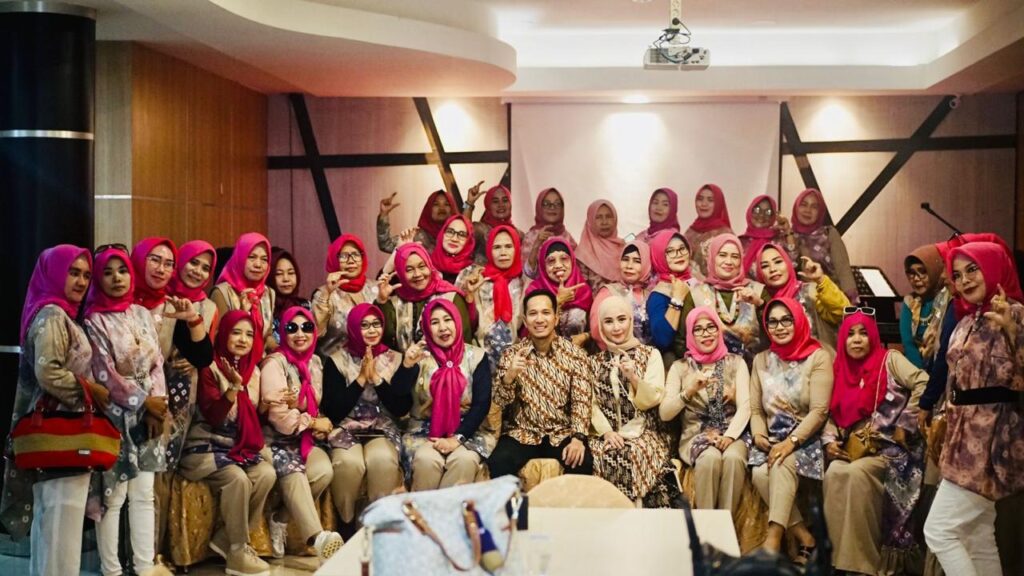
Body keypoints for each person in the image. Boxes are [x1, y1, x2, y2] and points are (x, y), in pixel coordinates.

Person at [0, 245, 106, 576]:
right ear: (54, 273)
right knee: (60, 527)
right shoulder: (52, 316)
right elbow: (48, 373)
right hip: (62, 432)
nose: (81, 281)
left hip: (63, 432)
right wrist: (92, 391)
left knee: (55, 529)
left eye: (86, 275)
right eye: (73, 272)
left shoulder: (58, 313)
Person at [923, 242, 1024, 576]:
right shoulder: (966, 321)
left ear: (994, 267)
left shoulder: (1015, 313)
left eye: (972, 269)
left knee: (938, 530)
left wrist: (1013, 331)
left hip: (992, 441)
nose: (964, 280)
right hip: (960, 439)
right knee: (977, 536)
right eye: (957, 274)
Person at [823, 310, 928, 575]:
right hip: (858, 448)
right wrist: (829, 442)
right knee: (835, 472)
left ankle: (862, 564)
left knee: (857, 475)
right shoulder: (839, 370)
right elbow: (830, 412)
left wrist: (906, 422)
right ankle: (837, 560)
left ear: (873, 336)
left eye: (863, 333)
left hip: (893, 449)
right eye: (850, 334)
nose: (857, 340)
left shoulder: (889, 360)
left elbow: (923, 382)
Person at [83, 246, 168, 576]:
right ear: (98, 278)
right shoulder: (95, 320)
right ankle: (112, 570)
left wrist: (157, 406)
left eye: (123, 271)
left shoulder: (141, 313)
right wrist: (141, 402)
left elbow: (157, 361)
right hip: (115, 415)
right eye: (108, 272)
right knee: (113, 496)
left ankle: (145, 569)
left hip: (150, 414)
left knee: (144, 494)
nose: (117, 278)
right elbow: (104, 371)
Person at [178, 310, 275, 576]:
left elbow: (252, 420)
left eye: (249, 334)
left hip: (236, 446)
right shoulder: (209, 365)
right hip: (205, 444)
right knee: (238, 480)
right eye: (236, 332)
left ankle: (224, 538)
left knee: (266, 473)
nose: (243, 339)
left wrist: (267, 405)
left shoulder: (253, 371)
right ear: (223, 334)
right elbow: (215, 416)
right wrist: (233, 388)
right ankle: (237, 551)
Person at [748, 297, 833, 563]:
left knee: (780, 463)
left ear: (798, 321)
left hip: (807, 439)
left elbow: (820, 410)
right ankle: (805, 537)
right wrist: (759, 434)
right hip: (772, 437)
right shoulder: (761, 360)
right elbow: (756, 411)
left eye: (787, 319)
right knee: (760, 473)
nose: (780, 326)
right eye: (772, 321)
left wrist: (792, 441)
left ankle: (772, 540)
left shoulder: (818, 357)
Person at [260, 307, 344, 561]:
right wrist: (312, 423)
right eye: (291, 328)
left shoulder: (315, 363)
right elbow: (279, 418)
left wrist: (316, 424)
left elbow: (314, 405)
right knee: (294, 472)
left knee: (324, 471)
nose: (300, 333)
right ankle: (318, 539)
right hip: (272, 440)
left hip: (302, 439)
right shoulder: (274, 364)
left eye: (306, 327)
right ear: (282, 333)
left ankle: (280, 518)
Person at [489, 290, 595, 478]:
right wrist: (509, 377)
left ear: (556, 318)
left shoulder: (576, 355)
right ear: (525, 319)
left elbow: (581, 400)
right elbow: (500, 404)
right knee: (499, 461)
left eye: (545, 313)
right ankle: (515, 508)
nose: (539, 319)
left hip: (561, 433)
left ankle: (567, 509)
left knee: (582, 461)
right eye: (533, 313)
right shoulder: (512, 354)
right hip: (522, 433)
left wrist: (578, 438)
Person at [154, 240, 216, 559]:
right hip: (153, 392)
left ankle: (160, 550)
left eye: (206, 267)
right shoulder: (159, 298)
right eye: (193, 263)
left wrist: (195, 357)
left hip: (184, 398)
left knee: (165, 470)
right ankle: (141, 553)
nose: (198, 271)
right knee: (149, 475)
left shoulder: (208, 307)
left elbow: (207, 353)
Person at [321, 303, 408, 526]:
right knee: (350, 464)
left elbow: (401, 407)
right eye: (364, 325)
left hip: (382, 428)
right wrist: (360, 380)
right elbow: (333, 411)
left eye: (376, 324)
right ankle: (347, 523)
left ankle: (376, 524)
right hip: (346, 426)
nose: (372, 330)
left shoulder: (395, 359)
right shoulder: (336, 360)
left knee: (383, 460)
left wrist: (377, 380)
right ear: (353, 329)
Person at [392, 300, 493, 490]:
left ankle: (444, 517)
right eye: (434, 322)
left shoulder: (477, 356)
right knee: (426, 461)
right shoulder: (419, 356)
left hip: (468, 432)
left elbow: (481, 404)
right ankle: (425, 517)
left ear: (457, 322)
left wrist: (457, 438)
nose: (443, 327)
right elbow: (398, 404)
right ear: (427, 328)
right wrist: (406, 366)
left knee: (464, 460)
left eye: (448, 320)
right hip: (424, 432)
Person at [660, 307, 750, 519]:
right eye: (698, 329)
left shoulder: (736, 363)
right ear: (690, 334)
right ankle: (707, 527)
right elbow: (665, 413)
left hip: (733, 432)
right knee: (709, 458)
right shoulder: (680, 368)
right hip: (695, 435)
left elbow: (746, 405)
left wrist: (729, 436)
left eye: (711, 327)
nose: (706, 333)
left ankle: (726, 525)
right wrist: (689, 390)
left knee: (734, 459)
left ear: (719, 330)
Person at [588, 296, 670, 506]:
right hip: (605, 434)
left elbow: (652, 398)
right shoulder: (593, 362)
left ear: (631, 321)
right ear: (601, 326)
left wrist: (634, 378)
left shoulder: (650, 354)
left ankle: (639, 522)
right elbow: (590, 404)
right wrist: (606, 432)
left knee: (633, 453)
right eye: (608, 321)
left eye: (622, 319)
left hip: (644, 432)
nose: (616, 327)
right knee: (602, 454)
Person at [679, 234, 768, 365]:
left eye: (735, 256)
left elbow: (774, 331)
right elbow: (682, 341)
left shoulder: (758, 291)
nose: (729, 261)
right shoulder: (696, 295)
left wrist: (759, 303)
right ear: (712, 258)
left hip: (755, 371)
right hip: (709, 374)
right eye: (722, 255)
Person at [377, 243, 473, 353]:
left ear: (429, 266)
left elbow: (465, 341)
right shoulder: (394, 300)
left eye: (422, 266)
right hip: (405, 367)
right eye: (409, 269)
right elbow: (386, 340)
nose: (417, 274)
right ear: (400, 273)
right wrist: (382, 301)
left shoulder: (450, 296)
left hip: (445, 367)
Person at [754, 242, 849, 350]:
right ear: (759, 273)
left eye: (778, 262)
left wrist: (821, 280)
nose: (773, 269)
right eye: (765, 266)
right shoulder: (761, 302)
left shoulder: (811, 292)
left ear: (788, 264)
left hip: (818, 363)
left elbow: (843, 312)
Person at [456, 224, 526, 368]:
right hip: (482, 359)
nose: (503, 253)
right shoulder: (478, 280)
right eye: (497, 247)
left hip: (517, 361)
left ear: (517, 249)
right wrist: (470, 296)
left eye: (508, 246)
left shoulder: (524, 283)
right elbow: (470, 323)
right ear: (489, 251)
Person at [779, 188, 857, 300]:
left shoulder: (829, 233)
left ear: (820, 212)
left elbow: (843, 270)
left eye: (814, 207)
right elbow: (788, 268)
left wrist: (851, 304)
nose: (808, 210)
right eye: (803, 204)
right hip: (795, 302)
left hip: (829, 300)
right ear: (796, 207)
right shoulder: (787, 235)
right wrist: (788, 235)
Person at [312, 233, 377, 357]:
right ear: (334, 259)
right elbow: (316, 333)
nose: (351, 261)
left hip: (373, 365)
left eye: (356, 255)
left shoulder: (376, 288)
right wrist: (326, 294)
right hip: (336, 367)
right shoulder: (324, 293)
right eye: (344, 256)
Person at [211, 233, 276, 353]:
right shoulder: (222, 292)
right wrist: (242, 311)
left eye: (264, 259)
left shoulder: (269, 293)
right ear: (239, 257)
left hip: (260, 360)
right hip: (229, 361)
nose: (258, 265)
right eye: (251, 257)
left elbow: (267, 336)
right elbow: (216, 338)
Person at [646, 230, 700, 362]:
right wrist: (677, 299)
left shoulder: (698, 283)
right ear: (659, 256)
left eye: (682, 249)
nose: (678, 255)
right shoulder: (658, 294)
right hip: (678, 365)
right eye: (670, 251)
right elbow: (662, 340)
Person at [590, 239, 655, 347]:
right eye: (625, 259)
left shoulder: (650, 295)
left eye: (637, 261)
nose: (629, 266)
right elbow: (596, 331)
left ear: (646, 265)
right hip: (616, 356)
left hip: (647, 357)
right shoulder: (608, 292)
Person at [526, 238, 593, 342]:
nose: (558, 265)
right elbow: (531, 330)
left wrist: (585, 336)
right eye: (551, 261)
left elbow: (597, 328)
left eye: (564, 259)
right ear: (543, 265)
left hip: (578, 354)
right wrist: (557, 301)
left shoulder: (583, 290)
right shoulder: (534, 291)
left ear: (572, 261)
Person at [900, 243, 951, 369]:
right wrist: (920, 373)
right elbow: (908, 344)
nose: (916, 279)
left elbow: (946, 345)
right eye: (911, 273)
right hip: (916, 369)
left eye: (923, 272)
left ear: (935, 270)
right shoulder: (909, 302)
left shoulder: (949, 299)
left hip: (942, 367)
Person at [376, 189, 456, 254]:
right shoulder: (415, 237)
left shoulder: (458, 235)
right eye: (436, 204)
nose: (442, 208)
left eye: (447, 204)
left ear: (452, 209)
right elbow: (386, 244)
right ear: (428, 209)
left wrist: (468, 204)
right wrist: (384, 215)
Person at [522, 188, 577, 278]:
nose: (552, 208)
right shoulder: (530, 237)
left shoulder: (567, 237)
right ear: (539, 207)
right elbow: (527, 274)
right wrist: (537, 244)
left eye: (557, 204)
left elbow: (576, 270)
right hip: (539, 289)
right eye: (546, 204)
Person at [461, 182, 522, 262]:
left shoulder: (519, 234)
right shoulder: (480, 230)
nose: (501, 205)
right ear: (488, 205)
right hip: (481, 274)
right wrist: (469, 203)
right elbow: (463, 231)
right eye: (495, 201)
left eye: (505, 200)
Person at [683, 184, 734, 277]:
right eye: (700, 199)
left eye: (710, 200)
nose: (704, 204)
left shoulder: (725, 234)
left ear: (718, 203)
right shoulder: (690, 231)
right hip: (685, 285)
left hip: (711, 288)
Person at [575, 199, 626, 290]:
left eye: (608, 216)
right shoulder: (582, 255)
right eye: (598, 217)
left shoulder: (624, 248)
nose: (604, 222)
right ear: (590, 221)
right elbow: (581, 291)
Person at [739, 195, 784, 278]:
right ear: (750, 211)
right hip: (744, 289)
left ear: (773, 216)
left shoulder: (778, 240)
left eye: (768, 212)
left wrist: (788, 232)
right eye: (757, 210)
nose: (761, 215)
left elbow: (793, 264)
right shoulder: (740, 242)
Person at [431, 214, 476, 283]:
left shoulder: (473, 274)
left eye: (462, 235)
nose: (454, 239)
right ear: (442, 234)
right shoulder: (426, 265)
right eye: (450, 232)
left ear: (469, 241)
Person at [270, 248, 307, 319]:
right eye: (279, 274)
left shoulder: (305, 305)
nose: (286, 279)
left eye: (291, 273)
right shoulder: (265, 307)